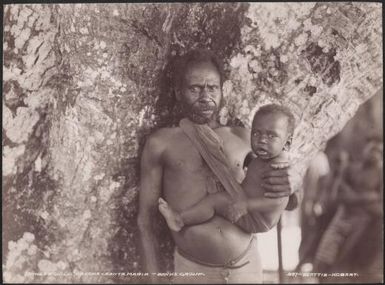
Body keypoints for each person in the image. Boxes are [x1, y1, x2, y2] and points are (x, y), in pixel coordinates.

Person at [137, 49, 300, 284]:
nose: (205, 96)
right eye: (195, 88)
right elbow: (145, 221)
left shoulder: (245, 138)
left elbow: (288, 200)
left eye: (212, 88)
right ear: (178, 92)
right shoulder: (162, 143)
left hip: (246, 267)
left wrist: (295, 183)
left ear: (222, 91)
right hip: (193, 271)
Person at [158, 104, 295, 233]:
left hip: (256, 218)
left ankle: (179, 220)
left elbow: (276, 201)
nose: (262, 140)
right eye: (256, 133)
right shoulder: (267, 156)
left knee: (214, 201)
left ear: (287, 143)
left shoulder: (278, 168)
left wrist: (247, 205)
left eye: (271, 136)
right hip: (246, 202)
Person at [313, 136, 383, 282]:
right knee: (321, 264)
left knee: (350, 269)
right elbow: (337, 195)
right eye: (372, 148)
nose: (374, 153)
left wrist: (354, 197)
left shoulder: (380, 175)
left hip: (365, 226)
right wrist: (369, 197)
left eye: (378, 150)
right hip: (341, 220)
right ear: (365, 148)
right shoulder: (351, 169)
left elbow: (380, 208)